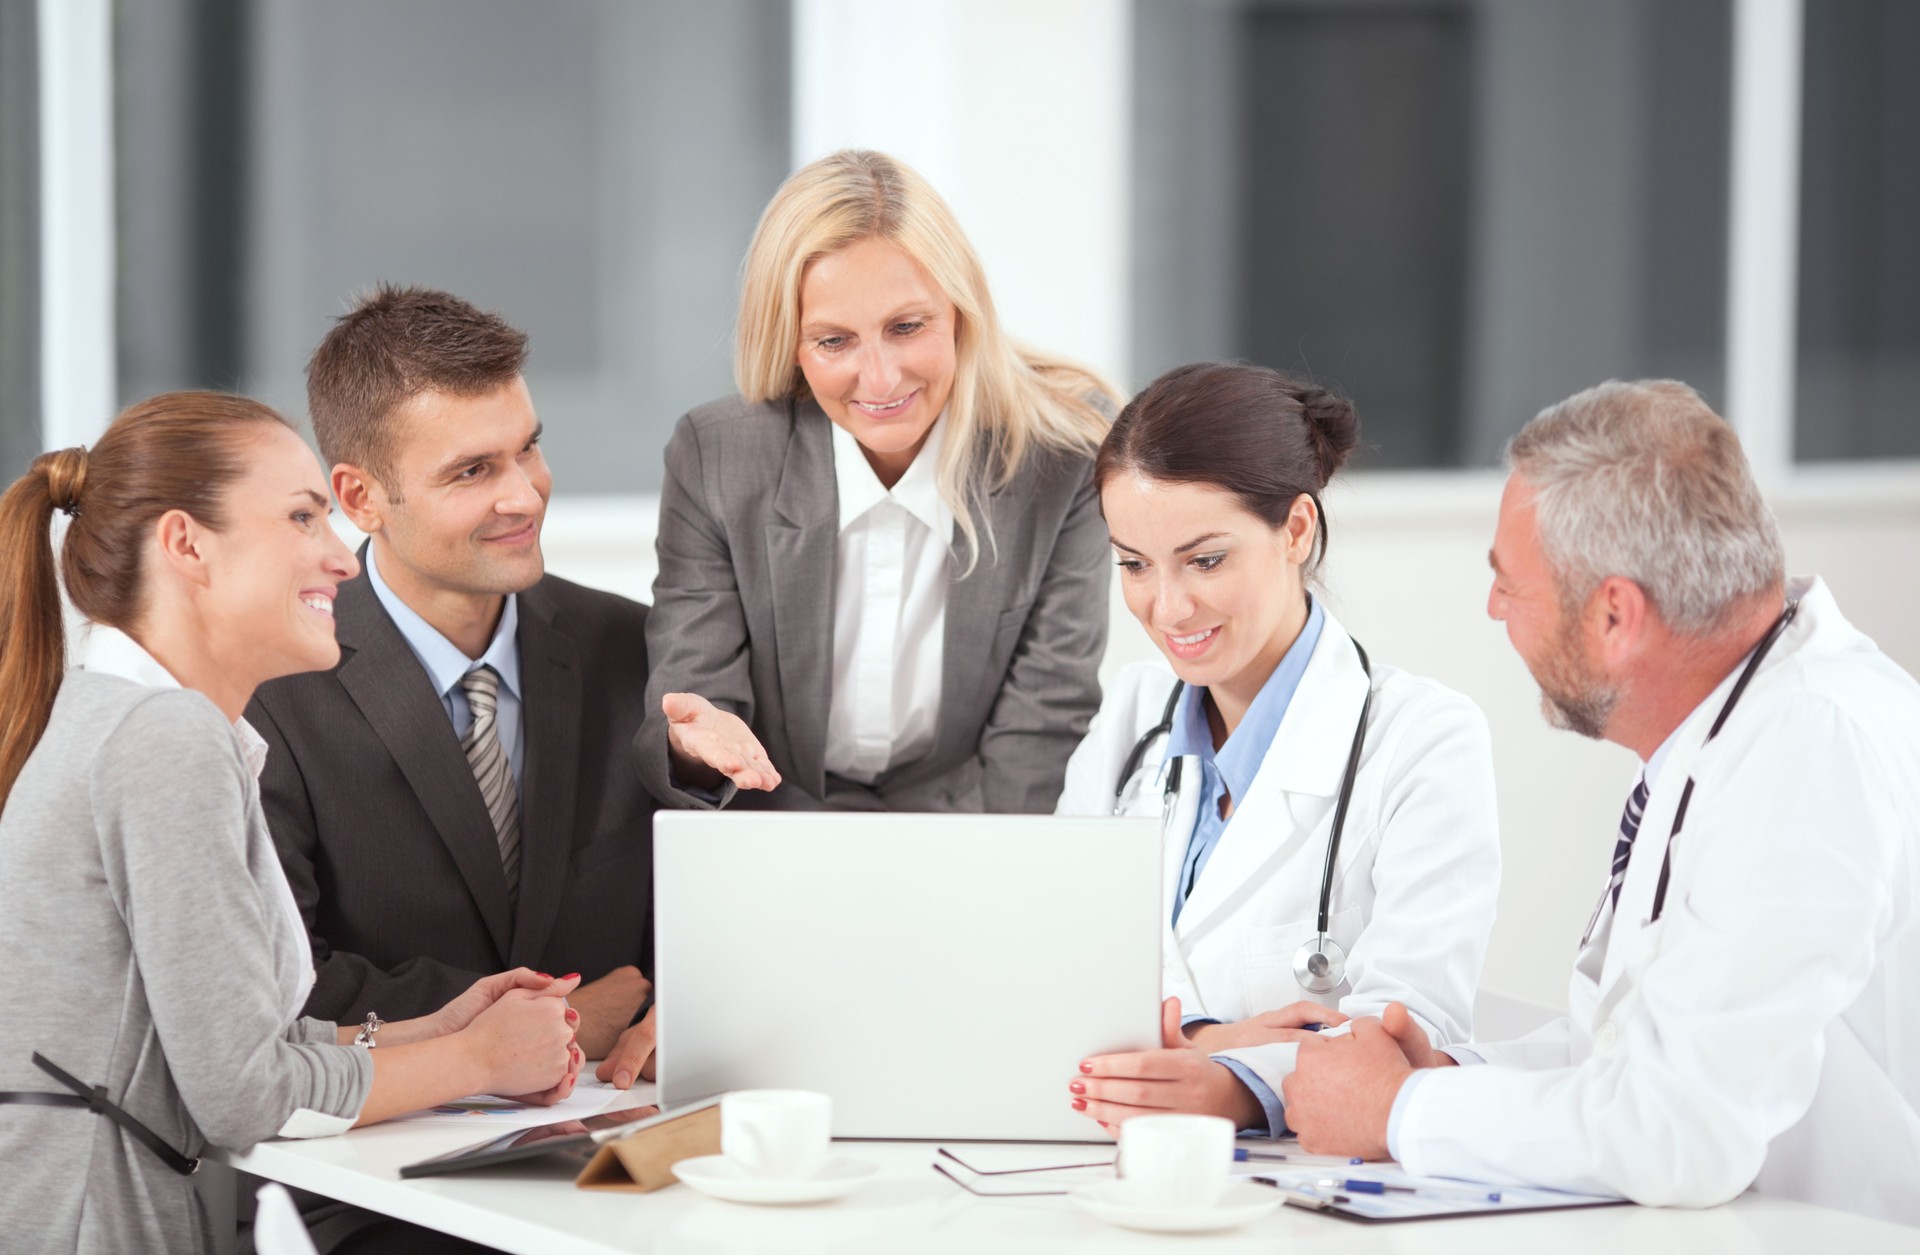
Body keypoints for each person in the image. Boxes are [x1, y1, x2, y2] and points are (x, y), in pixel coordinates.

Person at [1279, 380, 1920, 1226]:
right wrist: (1451, 1076)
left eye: (1510, 584)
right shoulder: (1729, 727)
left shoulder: (1811, 748)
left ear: (1615, 613)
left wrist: (1400, 1112)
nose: (1493, 608)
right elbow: (1633, 1052)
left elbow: (1682, 1128)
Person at [0, 393, 580, 1255]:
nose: (341, 559)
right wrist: (480, 1061)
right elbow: (244, 1091)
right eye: (303, 517)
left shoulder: (118, 715)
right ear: (186, 544)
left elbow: (233, 1040)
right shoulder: (164, 736)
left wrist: (442, 1027)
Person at [1055, 362, 1501, 1137]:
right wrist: (1210, 1041)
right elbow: (1051, 967)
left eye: (1205, 560)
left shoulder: (1423, 740)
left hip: (1309, 1183)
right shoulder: (1130, 715)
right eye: (1133, 564)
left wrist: (1230, 1087)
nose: (1168, 607)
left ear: (1296, 530)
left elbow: (1405, 1038)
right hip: (1114, 1167)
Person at [247, 287, 659, 1097]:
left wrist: (675, 1009)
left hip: (620, 1119)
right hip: (375, 1149)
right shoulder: (272, 689)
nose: (525, 495)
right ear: (360, 498)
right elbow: (285, 985)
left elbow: (703, 921)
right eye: (473, 471)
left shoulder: (638, 650)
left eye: (527, 449)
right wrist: (562, 1020)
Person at [638, 148, 1117, 813]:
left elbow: (1040, 727)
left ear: (961, 311)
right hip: (777, 824)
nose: (882, 378)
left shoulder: (1066, 452)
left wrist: (950, 868)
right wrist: (698, 746)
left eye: (907, 326)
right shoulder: (716, 457)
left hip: (972, 830)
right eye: (834, 341)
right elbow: (699, 703)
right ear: (791, 344)